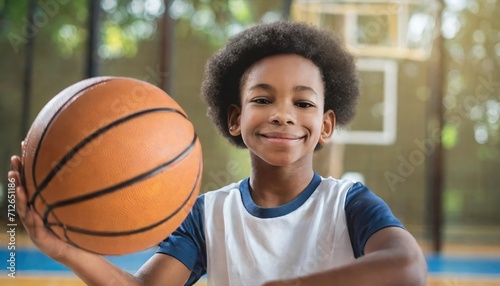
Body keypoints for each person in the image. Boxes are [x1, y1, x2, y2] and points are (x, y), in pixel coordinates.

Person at [9, 21, 427, 285]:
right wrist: (64, 250)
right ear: (234, 118)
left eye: (303, 104)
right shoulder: (208, 214)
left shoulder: (348, 203)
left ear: (327, 126)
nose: (283, 115)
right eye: (263, 100)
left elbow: (407, 268)